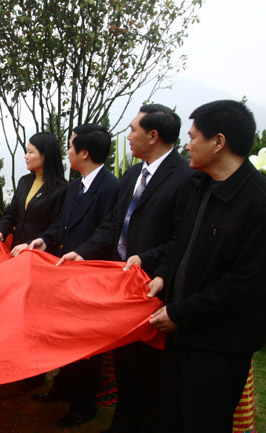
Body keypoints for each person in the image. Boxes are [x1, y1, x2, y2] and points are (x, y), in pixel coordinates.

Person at [58, 104, 191, 433]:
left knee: (151, 373)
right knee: (125, 366)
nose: (128, 136)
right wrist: (82, 252)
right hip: (121, 288)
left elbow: (182, 237)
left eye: (133, 129)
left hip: (152, 287)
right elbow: (113, 224)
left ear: (153, 136)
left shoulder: (186, 177)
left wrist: (149, 261)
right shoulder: (132, 174)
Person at [146, 100, 265, 433]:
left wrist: (180, 312)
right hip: (180, 335)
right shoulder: (199, 186)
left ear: (218, 142)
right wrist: (163, 275)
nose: (187, 146)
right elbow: (180, 243)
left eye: (193, 137)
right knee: (170, 417)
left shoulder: (257, 202)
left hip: (220, 345)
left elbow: (244, 283)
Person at [22, 124, 120, 427]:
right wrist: (45, 239)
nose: (67, 152)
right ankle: (62, 388)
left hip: (90, 273)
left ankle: (84, 404)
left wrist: (83, 253)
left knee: (86, 343)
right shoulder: (75, 186)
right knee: (64, 336)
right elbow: (61, 223)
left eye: (70, 146)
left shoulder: (111, 188)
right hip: (66, 271)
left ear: (84, 152)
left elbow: (108, 231)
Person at [0, 132, 67, 250]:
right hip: (16, 250)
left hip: (38, 253)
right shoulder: (24, 181)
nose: (26, 156)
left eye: (30, 152)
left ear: (45, 155)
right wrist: (1, 233)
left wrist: (30, 244)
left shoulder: (61, 189)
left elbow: (56, 227)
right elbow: (12, 212)